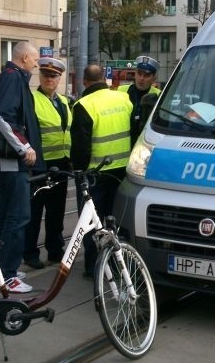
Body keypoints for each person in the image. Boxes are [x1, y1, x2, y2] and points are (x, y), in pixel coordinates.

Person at [0, 41, 44, 293]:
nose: (36, 63)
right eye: (34, 59)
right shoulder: (12, 77)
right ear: (22, 59)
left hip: (9, 158)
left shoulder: (15, 77)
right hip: (11, 158)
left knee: (6, 213)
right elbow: (3, 116)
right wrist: (25, 147)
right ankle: (7, 275)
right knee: (18, 215)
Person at [70, 64, 133, 278]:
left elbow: (80, 147)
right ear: (104, 80)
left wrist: (78, 171)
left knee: (90, 222)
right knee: (115, 219)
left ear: (84, 82)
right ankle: (118, 262)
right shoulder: (123, 99)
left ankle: (94, 266)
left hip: (94, 174)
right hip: (122, 172)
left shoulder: (83, 105)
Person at [24, 57, 73, 269]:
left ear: (59, 78)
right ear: (40, 76)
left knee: (56, 212)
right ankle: (30, 253)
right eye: (45, 75)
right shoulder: (32, 99)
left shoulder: (63, 101)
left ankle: (55, 250)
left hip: (61, 165)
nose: (49, 79)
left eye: (53, 76)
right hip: (40, 166)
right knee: (34, 213)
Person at [117, 55, 161, 145]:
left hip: (146, 144)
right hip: (124, 143)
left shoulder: (159, 95)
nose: (141, 78)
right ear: (135, 73)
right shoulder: (121, 91)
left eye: (146, 75)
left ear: (154, 78)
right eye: (139, 74)